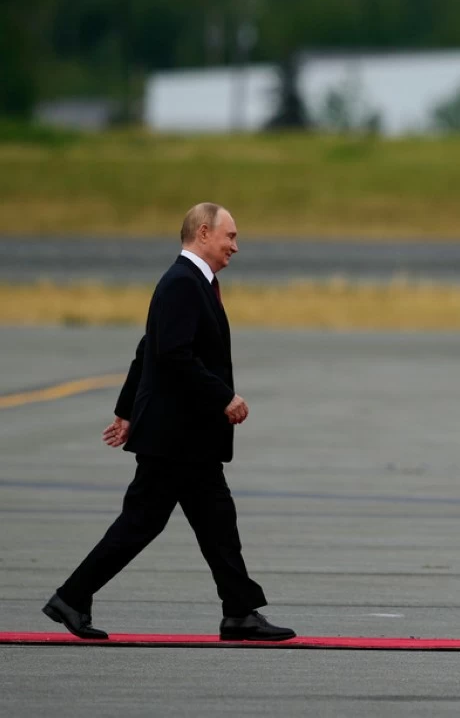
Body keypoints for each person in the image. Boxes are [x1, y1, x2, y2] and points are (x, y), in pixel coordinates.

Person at [43, 203, 295, 642]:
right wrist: (224, 397)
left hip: (187, 439)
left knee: (217, 520)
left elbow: (146, 350)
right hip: (175, 439)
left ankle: (239, 612)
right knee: (142, 523)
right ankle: (72, 595)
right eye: (230, 236)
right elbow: (170, 355)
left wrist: (125, 412)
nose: (236, 246)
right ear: (203, 233)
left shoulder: (194, 283)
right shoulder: (182, 283)